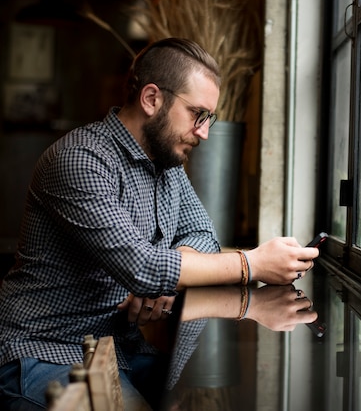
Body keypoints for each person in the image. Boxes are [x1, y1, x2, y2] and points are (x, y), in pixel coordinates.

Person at [0, 37, 319, 410]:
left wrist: (167, 278)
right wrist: (253, 263)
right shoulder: (80, 159)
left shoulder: (166, 164)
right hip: (43, 352)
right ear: (152, 99)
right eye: (197, 114)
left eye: (209, 119)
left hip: (120, 347)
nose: (204, 132)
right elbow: (141, 267)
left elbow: (203, 235)